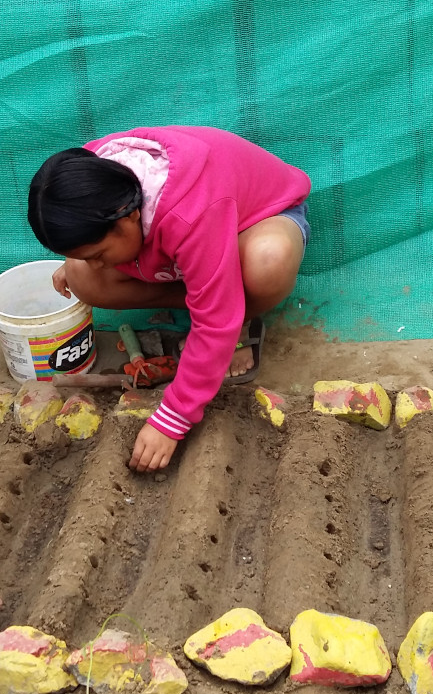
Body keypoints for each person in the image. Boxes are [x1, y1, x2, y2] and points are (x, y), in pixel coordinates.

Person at [27, 126, 312, 473]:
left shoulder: (191, 211)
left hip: (257, 220)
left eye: (98, 252)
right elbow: (91, 246)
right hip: (182, 240)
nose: (95, 261)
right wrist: (79, 261)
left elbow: (195, 221)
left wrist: (171, 420)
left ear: (128, 214)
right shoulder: (91, 176)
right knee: (82, 278)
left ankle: (228, 313)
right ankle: (213, 296)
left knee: (267, 264)